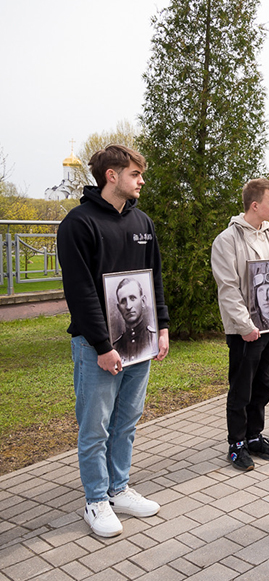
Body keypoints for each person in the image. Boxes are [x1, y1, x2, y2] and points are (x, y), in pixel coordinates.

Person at [57, 144, 169, 538]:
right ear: (112, 176)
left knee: (127, 422)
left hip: (140, 345)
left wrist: (162, 326)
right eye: (135, 174)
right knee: (95, 427)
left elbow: (153, 277)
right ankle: (95, 500)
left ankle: (118, 489)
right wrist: (103, 346)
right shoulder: (78, 224)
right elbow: (81, 292)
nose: (141, 181)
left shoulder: (142, 222)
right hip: (96, 347)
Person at [211, 178, 269, 471]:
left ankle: (254, 436)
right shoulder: (227, 240)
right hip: (245, 331)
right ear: (254, 205)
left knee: (264, 384)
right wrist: (245, 325)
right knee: (242, 388)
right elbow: (228, 288)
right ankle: (236, 444)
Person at [112, 277, 158, 364]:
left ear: (143, 301)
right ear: (119, 308)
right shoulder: (116, 346)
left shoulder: (153, 339)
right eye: (123, 301)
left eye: (132, 298)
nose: (128, 306)